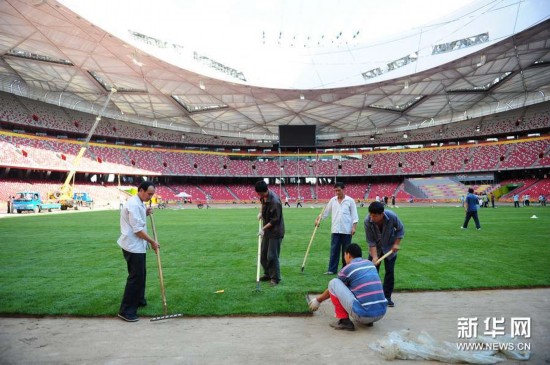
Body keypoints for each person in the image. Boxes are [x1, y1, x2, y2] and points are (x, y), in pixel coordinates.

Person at [308, 243, 387, 331]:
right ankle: (368, 321)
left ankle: (344, 321)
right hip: (381, 313)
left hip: (363, 315)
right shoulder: (370, 264)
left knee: (333, 283)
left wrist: (318, 300)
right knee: (356, 286)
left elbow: (334, 287)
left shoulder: (348, 268)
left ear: (348, 255)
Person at [117, 181, 159, 322]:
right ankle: (126, 311)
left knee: (141, 275)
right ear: (141, 190)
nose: (151, 197)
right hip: (133, 246)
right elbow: (138, 230)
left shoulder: (139, 202)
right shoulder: (134, 204)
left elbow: (136, 219)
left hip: (136, 246)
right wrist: (152, 241)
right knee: (135, 278)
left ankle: (139, 300)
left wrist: (145, 213)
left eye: (152, 194)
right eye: (149, 194)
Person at [364, 201, 404, 307]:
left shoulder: (391, 216)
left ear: (382, 214)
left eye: (375, 216)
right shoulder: (367, 221)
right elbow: (370, 241)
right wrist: (375, 257)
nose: (372, 217)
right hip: (375, 249)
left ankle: (387, 297)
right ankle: (372, 297)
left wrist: (396, 244)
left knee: (389, 272)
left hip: (390, 248)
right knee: (372, 273)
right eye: (370, 215)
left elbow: (400, 229)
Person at [315, 182, 359, 275]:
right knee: (334, 250)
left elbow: (354, 215)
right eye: (335, 190)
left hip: (346, 230)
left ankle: (345, 270)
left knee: (346, 252)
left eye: (339, 190)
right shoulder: (333, 200)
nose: (337, 192)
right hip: (335, 229)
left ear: (343, 189)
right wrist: (318, 219)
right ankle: (332, 269)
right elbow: (325, 212)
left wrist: (354, 227)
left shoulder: (350, 201)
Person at [256, 180, 285, 286]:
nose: (259, 195)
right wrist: (261, 212)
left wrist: (262, 229)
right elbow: (263, 204)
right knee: (263, 255)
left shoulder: (275, 201)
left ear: (265, 191)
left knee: (272, 256)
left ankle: (275, 278)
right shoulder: (263, 196)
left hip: (276, 232)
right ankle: (267, 274)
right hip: (268, 231)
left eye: (260, 194)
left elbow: (274, 221)